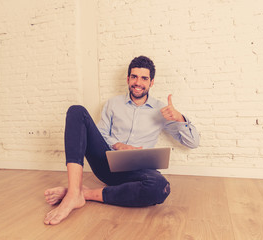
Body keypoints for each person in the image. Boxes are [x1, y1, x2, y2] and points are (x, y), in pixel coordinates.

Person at [44, 56, 200, 225]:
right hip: (107, 163)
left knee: (159, 186)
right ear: (128, 79)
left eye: (144, 78)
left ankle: (85, 194)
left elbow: (193, 142)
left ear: (151, 82)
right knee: (76, 111)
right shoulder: (113, 103)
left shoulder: (162, 110)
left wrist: (179, 118)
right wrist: (118, 145)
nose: (138, 82)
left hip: (138, 172)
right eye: (134, 77)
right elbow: (101, 133)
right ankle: (74, 192)